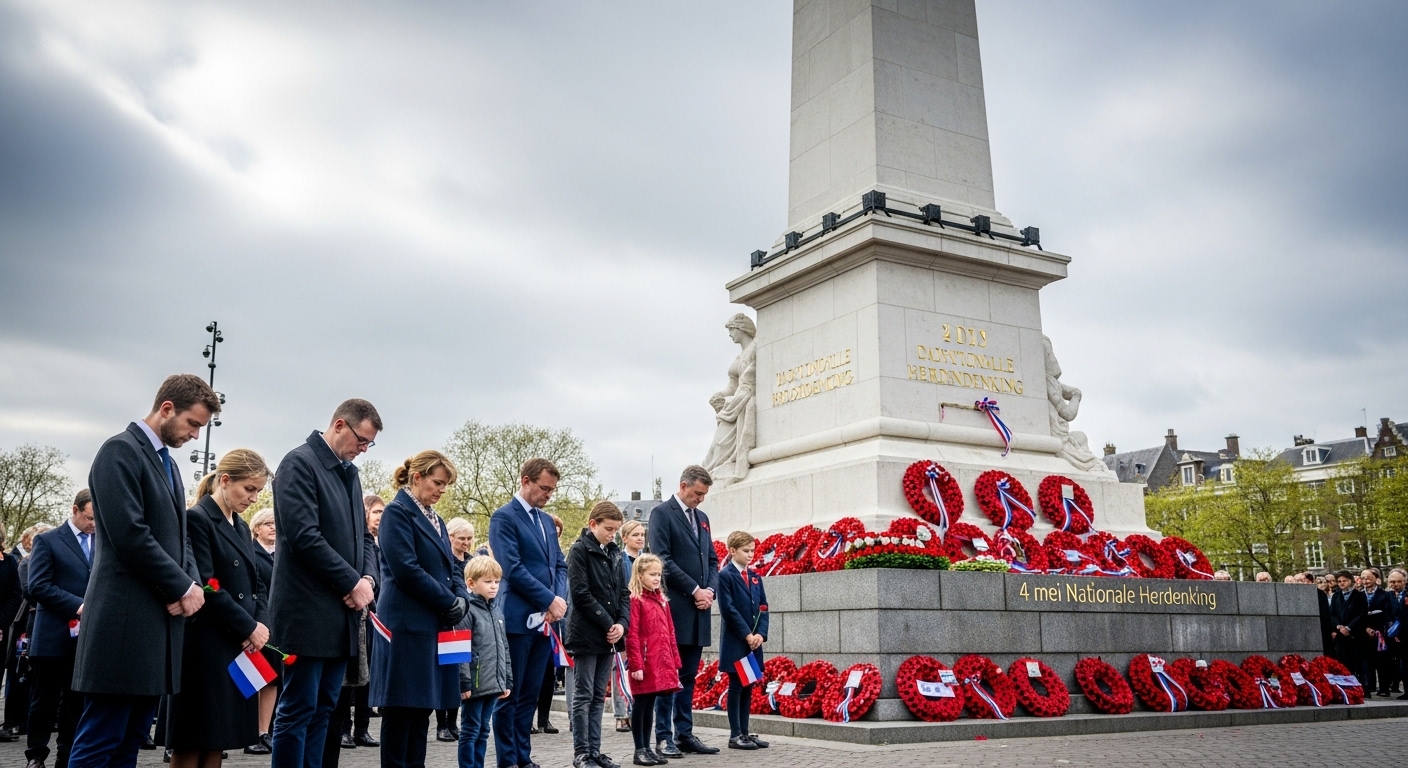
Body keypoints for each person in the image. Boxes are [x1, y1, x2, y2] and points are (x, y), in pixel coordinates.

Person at [68, 375, 218, 768]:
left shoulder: (166, 464)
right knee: (102, 737)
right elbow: (129, 534)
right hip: (123, 623)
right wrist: (180, 586)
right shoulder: (120, 451)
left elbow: (179, 536)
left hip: (154, 627)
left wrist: (191, 583)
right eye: (193, 424)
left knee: (131, 740)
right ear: (167, 408)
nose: (194, 435)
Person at [269, 400, 381, 768]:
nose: (363, 449)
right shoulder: (299, 463)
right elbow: (304, 537)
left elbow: (364, 537)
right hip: (305, 612)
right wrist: (352, 582)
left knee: (325, 709)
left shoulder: (349, 473)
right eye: (361, 440)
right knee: (298, 709)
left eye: (369, 445)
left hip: (341, 615)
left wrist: (366, 577)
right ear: (339, 425)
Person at [165, 450, 271, 768]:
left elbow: (257, 584)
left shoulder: (239, 526)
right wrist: (248, 627)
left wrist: (260, 624)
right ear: (225, 481)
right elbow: (207, 587)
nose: (253, 498)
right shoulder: (198, 519)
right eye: (248, 489)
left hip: (234, 644)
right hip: (203, 644)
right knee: (192, 740)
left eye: (258, 491)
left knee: (218, 741)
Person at [369, 451, 470, 768]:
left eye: (445, 485)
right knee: (402, 709)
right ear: (417, 478)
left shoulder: (436, 519)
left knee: (423, 708)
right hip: (406, 623)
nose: (441, 490)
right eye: (437, 483)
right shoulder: (397, 514)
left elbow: (451, 568)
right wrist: (448, 601)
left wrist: (461, 597)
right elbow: (407, 570)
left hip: (433, 625)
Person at [489, 458, 569, 768]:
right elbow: (513, 568)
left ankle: (524, 757)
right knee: (510, 694)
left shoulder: (547, 521)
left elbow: (558, 565)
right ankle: (507, 759)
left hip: (545, 621)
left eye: (552, 490)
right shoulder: (504, 518)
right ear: (526, 481)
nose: (549, 494)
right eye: (544, 488)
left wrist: (557, 601)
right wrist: (550, 599)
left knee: (530, 695)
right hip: (517, 617)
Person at [647, 466, 719, 757]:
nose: (700, 499)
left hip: (699, 609)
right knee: (668, 676)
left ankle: (684, 733)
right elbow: (661, 559)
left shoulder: (702, 519)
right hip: (674, 608)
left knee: (688, 676)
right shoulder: (662, 514)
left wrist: (709, 591)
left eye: (704, 495)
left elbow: (712, 560)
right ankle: (664, 736)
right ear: (683, 485)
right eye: (697, 493)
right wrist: (694, 589)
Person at [23, 491, 95, 768]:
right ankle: (36, 754)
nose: (93, 524)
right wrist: (78, 606)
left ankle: (67, 755)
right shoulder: (48, 540)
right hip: (53, 636)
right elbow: (38, 586)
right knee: (44, 701)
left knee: (75, 702)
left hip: (84, 639)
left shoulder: (101, 542)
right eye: (89, 518)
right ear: (75, 510)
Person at [565, 502, 629, 768]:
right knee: (583, 694)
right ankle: (582, 752)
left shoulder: (614, 552)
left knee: (596, 697)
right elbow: (580, 594)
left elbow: (623, 593)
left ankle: (595, 750)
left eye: (616, 530)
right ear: (593, 524)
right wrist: (607, 622)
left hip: (609, 636)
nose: (612, 535)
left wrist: (621, 624)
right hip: (587, 633)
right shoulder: (580, 550)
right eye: (608, 529)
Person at [336, 497, 384, 750]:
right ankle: (344, 728)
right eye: (376, 511)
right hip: (354, 611)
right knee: (348, 676)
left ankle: (362, 729)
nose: (380, 516)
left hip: (375, 615)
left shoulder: (381, 544)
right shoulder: (357, 542)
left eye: (382, 512)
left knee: (369, 675)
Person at [456, 556, 512, 768]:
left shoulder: (497, 611)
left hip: (493, 683)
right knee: (470, 730)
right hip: (475, 683)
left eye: (497, 581)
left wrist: (506, 680)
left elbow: (503, 648)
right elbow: (461, 648)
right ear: (471, 583)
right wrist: (464, 682)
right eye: (488, 581)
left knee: (484, 730)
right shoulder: (466, 610)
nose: (494, 586)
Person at [624, 555, 679, 767]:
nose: (657, 578)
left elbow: (670, 632)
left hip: (659, 661)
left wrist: (674, 659)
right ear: (640, 575)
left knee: (650, 706)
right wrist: (636, 664)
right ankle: (640, 749)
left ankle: (647, 747)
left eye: (658, 574)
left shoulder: (662, 600)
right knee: (641, 705)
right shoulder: (635, 600)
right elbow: (633, 634)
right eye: (652, 574)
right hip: (645, 662)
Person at [715, 532, 768, 751]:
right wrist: (747, 634)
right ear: (732, 551)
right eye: (746, 551)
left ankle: (745, 732)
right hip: (737, 641)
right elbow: (728, 609)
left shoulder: (755, 577)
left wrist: (760, 635)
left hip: (753, 642)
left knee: (749, 685)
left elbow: (763, 608)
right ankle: (735, 734)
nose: (750, 555)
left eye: (752, 551)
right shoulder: (725, 576)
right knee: (737, 685)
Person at [5, 524, 52, 743]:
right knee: (20, 674)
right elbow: (27, 590)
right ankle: (15, 720)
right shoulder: (25, 564)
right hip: (27, 624)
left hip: (45, 620)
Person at [437, 518, 476, 743]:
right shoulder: (446, 561)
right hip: (450, 623)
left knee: (462, 675)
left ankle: (453, 722)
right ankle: (442, 725)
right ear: (450, 537)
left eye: (469, 539)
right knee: (448, 673)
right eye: (461, 538)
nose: (466, 543)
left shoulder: (472, 562)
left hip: (468, 623)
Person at [244, 508, 278, 756]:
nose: (273, 527)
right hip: (255, 622)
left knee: (272, 679)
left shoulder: (282, 555)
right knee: (253, 679)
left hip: (278, 626)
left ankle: (263, 731)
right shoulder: (250, 552)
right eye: (268, 523)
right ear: (256, 528)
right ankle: (247, 732)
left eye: (275, 523)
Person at [534, 514, 567, 737]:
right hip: (535, 616)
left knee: (549, 672)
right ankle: (527, 719)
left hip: (554, 620)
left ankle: (544, 718)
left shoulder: (559, 557)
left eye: (557, 530)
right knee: (531, 673)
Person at [611, 521, 645, 734]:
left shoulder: (647, 560)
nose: (640, 538)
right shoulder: (619, 560)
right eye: (635, 535)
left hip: (643, 619)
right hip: (625, 616)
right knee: (621, 666)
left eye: (642, 534)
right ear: (624, 538)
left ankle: (637, 710)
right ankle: (621, 713)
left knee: (639, 664)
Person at [1360, 568, 1392, 697]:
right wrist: (1365, 627)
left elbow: (1386, 613)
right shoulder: (1360, 595)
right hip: (1364, 631)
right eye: (1363, 578)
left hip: (1380, 631)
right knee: (1366, 661)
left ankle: (1384, 687)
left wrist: (1377, 627)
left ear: (1376, 578)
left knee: (1382, 661)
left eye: (1368, 578)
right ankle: (1369, 686)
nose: (1365, 581)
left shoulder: (1384, 594)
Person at [1329, 570, 1366, 672]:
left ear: (1351, 581)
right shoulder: (1336, 596)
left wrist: (1349, 627)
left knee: (1357, 662)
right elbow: (1332, 614)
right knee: (1343, 662)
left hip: (1355, 633)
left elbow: (1362, 614)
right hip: (1341, 634)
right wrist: (1339, 626)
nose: (1341, 583)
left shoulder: (1359, 595)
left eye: (1344, 580)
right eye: (1339, 581)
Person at [1386, 568, 1406, 699]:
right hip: (1394, 635)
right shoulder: (1389, 596)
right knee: (1401, 664)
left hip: (1405, 632)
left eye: (1399, 581)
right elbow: (1386, 612)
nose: (1395, 584)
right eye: (1392, 582)